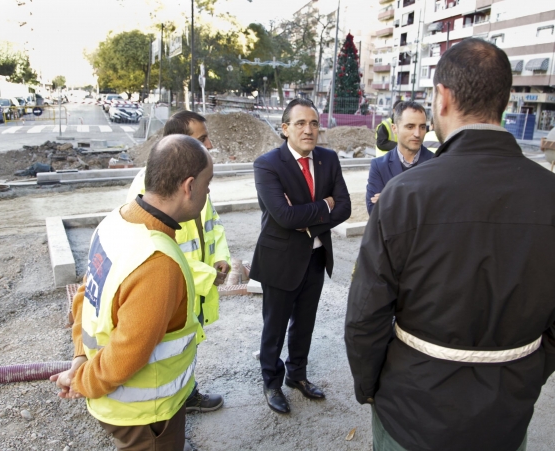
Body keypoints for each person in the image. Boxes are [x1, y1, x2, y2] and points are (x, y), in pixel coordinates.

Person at [345, 37, 555, 451]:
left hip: (410, 415)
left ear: (442, 98)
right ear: (505, 100)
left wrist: (370, 388)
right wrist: (526, 370)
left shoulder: (404, 196)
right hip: (506, 415)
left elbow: (364, 317)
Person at [51, 135, 213, 451]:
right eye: (208, 185)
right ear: (189, 186)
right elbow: (127, 353)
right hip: (146, 416)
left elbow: (86, 296)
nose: (208, 193)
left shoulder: (117, 221)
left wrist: (80, 357)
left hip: (121, 406)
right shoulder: (157, 262)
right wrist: (82, 380)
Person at [251, 98, 351, 414]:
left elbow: (345, 206)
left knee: (304, 324)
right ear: (285, 129)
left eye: (313, 124)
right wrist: (325, 206)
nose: (308, 130)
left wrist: (307, 219)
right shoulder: (267, 164)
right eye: (300, 123)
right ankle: (272, 382)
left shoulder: (328, 159)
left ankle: (297, 375)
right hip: (280, 260)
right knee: (275, 326)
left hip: (316, 258)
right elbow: (283, 216)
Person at [125, 110, 230, 413]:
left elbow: (213, 225)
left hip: (192, 287)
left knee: (185, 346)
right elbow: (153, 252)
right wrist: (205, 275)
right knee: (164, 352)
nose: (208, 145)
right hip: (172, 287)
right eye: (201, 139)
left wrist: (220, 258)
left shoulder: (194, 180)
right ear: (176, 144)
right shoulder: (147, 189)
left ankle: (184, 397)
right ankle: (163, 413)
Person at [365, 101, 433, 214]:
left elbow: (435, 210)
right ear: (394, 128)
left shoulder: (435, 162)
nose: (417, 133)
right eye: (410, 126)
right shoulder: (379, 166)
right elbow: (374, 211)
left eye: (422, 127)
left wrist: (392, 199)